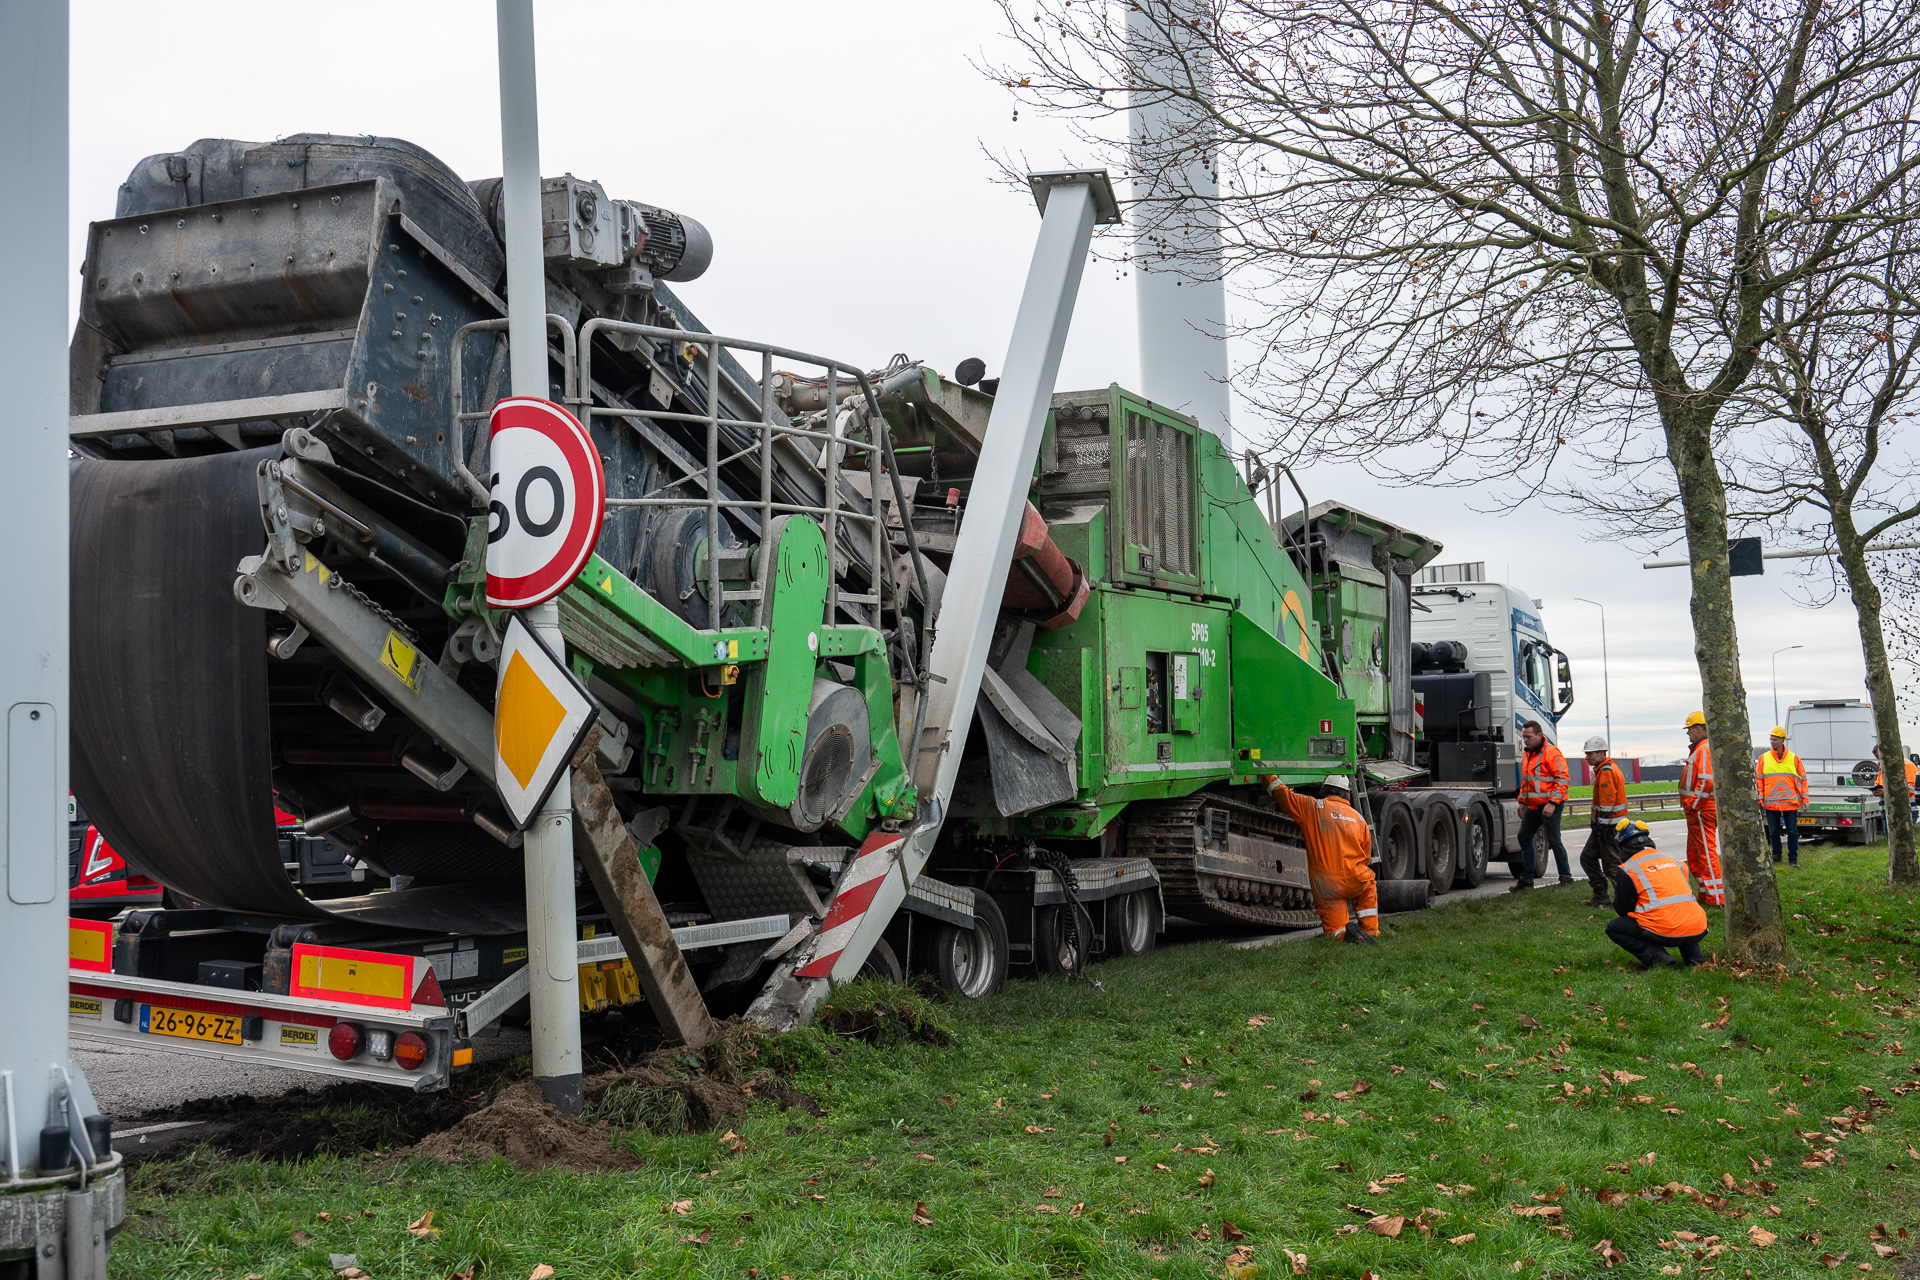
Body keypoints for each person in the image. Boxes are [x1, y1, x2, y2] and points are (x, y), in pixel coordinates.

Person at [1264, 773, 1379, 942]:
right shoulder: (1359, 819)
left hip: (1328, 884)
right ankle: (1370, 933)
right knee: (1368, 885)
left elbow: (1282, 794)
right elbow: (1366, 856)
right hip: (1357, 878)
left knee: (1335, 928)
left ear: (1324, 790)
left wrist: (1263, 772)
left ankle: (1343, 936)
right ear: (1347, 794)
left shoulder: (1312, 807)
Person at [1603, 819, 1710, 969]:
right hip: (1698, 926)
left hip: (1664, 930)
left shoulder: (1628, 869)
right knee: (1682, 911)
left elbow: (1622, 909)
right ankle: (1695, 958)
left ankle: (1657, 957)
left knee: (1614, 927)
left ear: (1623, 846)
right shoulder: (1676, 862)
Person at [1514, 720, 1572, 891]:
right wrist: (1521, 801)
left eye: (1529, 736)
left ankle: (1566, 877)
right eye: (1523, 736)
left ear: (1539, 736)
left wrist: (1552, 803)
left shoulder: (1551, 753)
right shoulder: (1527, 754)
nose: (1525, 740)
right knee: (1524, 837)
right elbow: (1527, 783)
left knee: (1554, 841)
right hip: (1532, 806)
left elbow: (1563, 779)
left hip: (1549, 806)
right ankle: (1526, 881)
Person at [1678, 712, 1725, 906]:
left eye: (1689, 730)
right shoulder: (1701, 748)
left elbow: (1707, 781)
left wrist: (1693, 805)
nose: (1688, 734)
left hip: (1701, 810)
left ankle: (1716, 897)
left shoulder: (1704, 748)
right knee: (1695, 854)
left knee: (1705, 852)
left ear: (1699, 728)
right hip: (1698, 810)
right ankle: (1706, 894)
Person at [1579, 736, 1629, 906]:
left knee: (1612, 866)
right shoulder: (1605, 769)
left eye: (1590, 754)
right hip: (1605, 827)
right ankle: (1601, 896)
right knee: (1587, 857)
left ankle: (1626, 901)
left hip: (1609, 827)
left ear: (1600, 753)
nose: (1587, 758)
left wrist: (1602, 826)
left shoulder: (1607, 771)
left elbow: (1607, 802)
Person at [1756, 726, 1807, 867]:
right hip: (1771, 803)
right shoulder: (1763, 758)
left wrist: (1805, 799)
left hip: (1790, 802)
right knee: (1773, 832)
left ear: (1782, 740)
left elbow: (1802, 780)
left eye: (1775, 739)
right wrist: (1760, 799)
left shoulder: (1794, 758)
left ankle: (1793, 859)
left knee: (1792, 831)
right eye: (1771, 739)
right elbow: (1759, 780)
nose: (1772, 742)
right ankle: (1776, 857)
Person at [1873, 745, 1919, 824]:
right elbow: (1878, 783)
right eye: (1878, 759)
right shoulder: (1883, 766)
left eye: (1881, 758)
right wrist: (1876, 790)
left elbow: (1912, 789)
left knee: (1904, 836)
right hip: (1887, 810)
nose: (1880, 761)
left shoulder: (1907, 765)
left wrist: (1887, 792)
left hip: (1905, 811)